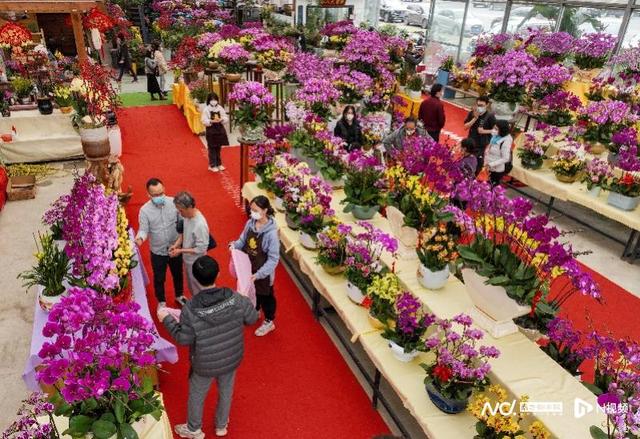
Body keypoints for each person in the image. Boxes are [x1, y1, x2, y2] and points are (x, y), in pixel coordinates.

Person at [158, 256, 258, 439]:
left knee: (197, 394)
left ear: (195, 278)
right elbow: (252, 319)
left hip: (204, 363)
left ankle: (194, 429)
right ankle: (221, 426)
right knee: (226, 391)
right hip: (231, 357)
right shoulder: (236, 298)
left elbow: (183, 338)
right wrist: (246, 301)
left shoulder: (191, 309)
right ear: (218, 274)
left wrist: (166, 319)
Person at [230, 196, 280, 337]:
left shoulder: (271, 235)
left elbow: (273, 259)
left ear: (265, 211)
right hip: (249, 267)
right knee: (252, 292)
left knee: (266, 296)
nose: (252, 213)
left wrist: (259, 274)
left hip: (263, 273)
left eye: (255, 210)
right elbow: (242, 240)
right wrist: (234, 245)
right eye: (251, 210)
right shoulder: (250, 223)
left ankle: (269, 321)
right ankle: (255, 310)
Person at [135, 178, 184, 308]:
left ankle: (179, 295)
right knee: (159, 278)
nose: (159, 197)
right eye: (155, 195)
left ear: (164, 190)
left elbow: (182, 223)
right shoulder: (144, 211)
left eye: (161, 193)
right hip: (158, 251)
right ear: (148, 194)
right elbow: (143, 230)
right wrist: (139, 239)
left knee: (178, 274)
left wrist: (180, 242)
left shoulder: (174, 203)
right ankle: (161, 301)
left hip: (176, 248)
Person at [170, 192, 210, 298]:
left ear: (189, 207)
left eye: (181, 210)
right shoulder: (187, 216)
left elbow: (201, 248)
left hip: (197, 262)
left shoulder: (200, 224)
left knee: (200, 289)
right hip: (188, 260)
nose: (179, 213)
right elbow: (184, 232)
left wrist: (180, 251)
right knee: (192, 287)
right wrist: (177, 244)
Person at [463, 96, 496, 170]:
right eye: (478, 105)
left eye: (481, 105)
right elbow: (465, 127)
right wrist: (475, 118)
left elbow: (496, 131)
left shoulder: (490, 116)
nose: (479, 107)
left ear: (487, 105)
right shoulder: (472, 113)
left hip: (481, 145)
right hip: (470, 143)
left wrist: (483, 131)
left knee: (476, 166)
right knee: (466, 165)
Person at [200, 93, 229, 172]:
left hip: (219, 130)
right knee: (212, 148)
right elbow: (203, 120)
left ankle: (219, 164)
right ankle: (212, 165)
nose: (214, 101)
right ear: (209, 101)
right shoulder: (206, 109)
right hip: (211, 130)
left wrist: (222, 119)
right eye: (212, 100)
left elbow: (225, 117)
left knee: (218, 148)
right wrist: (211, 121)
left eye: (215, 100)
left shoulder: (220, 108)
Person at [484, 120, 513, 186]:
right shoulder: (496, 136)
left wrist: (491, 164)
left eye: (496, 129)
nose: (494, 130)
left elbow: (505, 158)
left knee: (491, 188)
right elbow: (490, 145)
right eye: (494, 128)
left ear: (502, 130)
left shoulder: (506, 141)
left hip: (496, 170)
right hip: (488, 165)